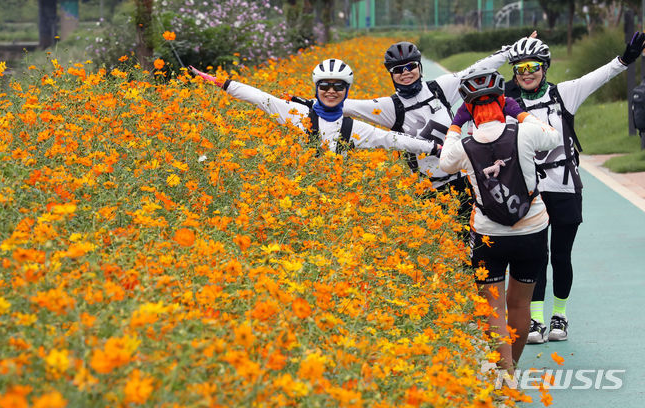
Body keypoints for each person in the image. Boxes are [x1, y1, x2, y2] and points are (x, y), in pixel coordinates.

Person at [504, 33, 645, 344]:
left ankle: (560, 316)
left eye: (533, 66)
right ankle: (535, 320)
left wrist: (626, 59)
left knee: (561, 255)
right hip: (530, 192)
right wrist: (506, 53)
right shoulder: (508, 103)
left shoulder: (563, 94)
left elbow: (598, 76)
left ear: (545, 67)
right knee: (536, 256)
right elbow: (474, 89)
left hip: (565, 187)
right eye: (520, 67)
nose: (527, 72)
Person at [439, 67, 560, 374]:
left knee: (494, 312)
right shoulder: (525, 132)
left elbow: (444, 163)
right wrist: (519, 114)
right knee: (519, 307)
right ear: (503, 100)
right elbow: (554, 136)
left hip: (488, 235)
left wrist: (456, 124)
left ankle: (504, 379)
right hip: (531, 230)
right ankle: (512, 371)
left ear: (469, 107)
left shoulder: (464, 145)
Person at [340, 41, 514, 219]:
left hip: (463, 181)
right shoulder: (390, 107)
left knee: (475, 237)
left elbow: (475, 70)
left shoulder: (439, 88)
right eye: (398, 70)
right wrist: (315, 100)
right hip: (426, 191)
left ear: (419, 67)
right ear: (391, 74)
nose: (405, 72)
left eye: (411, 66)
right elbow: (346, 106)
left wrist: (510, 51)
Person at [188, 59, 438, 157]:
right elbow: (258, 97)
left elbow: (393, 139)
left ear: (346, 91)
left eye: (338, 86)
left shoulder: (353, 128)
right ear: (316, 89)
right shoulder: (294, 113)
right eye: (325, 85)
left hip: (331, 203)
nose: (331, 91)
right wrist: (217, 81)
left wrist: (434, 148)